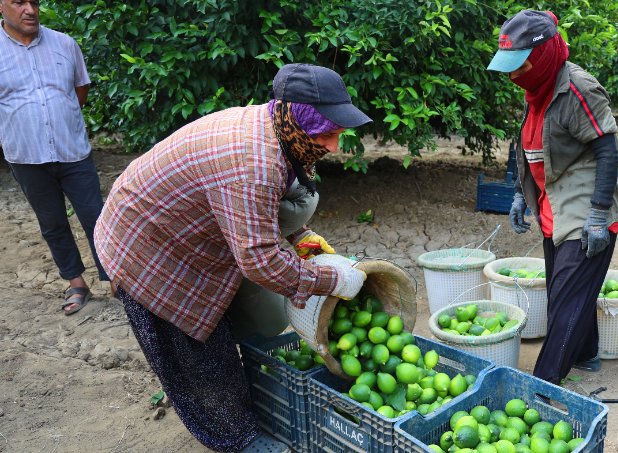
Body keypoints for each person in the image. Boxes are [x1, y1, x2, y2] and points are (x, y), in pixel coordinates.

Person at [94, 63, 370, 452]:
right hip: (148, 249)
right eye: (327, 134)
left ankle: (236, 417)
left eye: (338, 134)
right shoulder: (253, 162)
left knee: (217, 340)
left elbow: (257, 210)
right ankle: (236, 438)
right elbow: (259, 260)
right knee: (198, 357)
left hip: (181, 232)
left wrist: (303, 240)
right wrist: (331, 281)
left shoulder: (277, 129)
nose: (333, 147)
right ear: (299, 120)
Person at [487, 10, 618, 384]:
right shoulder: (538, 88)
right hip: (553, 205)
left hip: (583, 208)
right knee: (566, 290)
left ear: (545, 54)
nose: (515, 76)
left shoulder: (577, 87)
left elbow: (608, 151)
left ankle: (544, 385)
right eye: (510, 67)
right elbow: (531, 143)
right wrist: (519, 193)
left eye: (521, 65)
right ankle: (587, 353)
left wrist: (598, 216)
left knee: (565, 302)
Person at [0, 0, 109, 315]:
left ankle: (116, 280)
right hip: (26, 156)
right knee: (52, 222)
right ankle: (76, 283)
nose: (30, 9)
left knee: (96, 217)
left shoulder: (64, 43)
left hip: (72, 151)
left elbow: (79, 91)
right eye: (19, 2)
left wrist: (59, 121)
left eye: (34, 1)